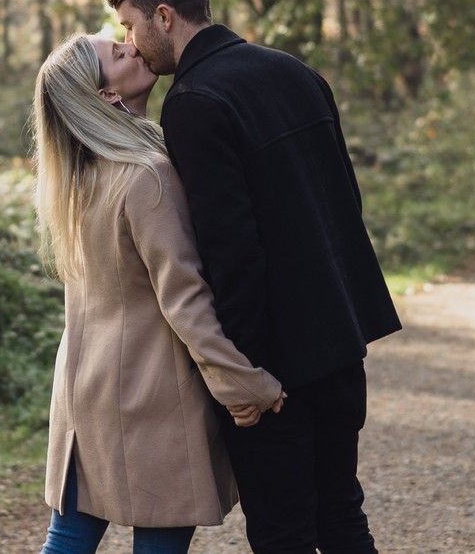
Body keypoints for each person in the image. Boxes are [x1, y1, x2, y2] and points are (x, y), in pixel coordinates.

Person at [103, 0, 402, 554]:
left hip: (276, 370)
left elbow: (230, 255)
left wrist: (242, 378)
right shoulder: (295, 71)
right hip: (340, 341)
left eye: (130, 25)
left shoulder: (193, 103)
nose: (130, 44)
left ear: (164, 16)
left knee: (283, 534)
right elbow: (345, 203)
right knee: (343, 518)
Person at [32, 33, 286, 554]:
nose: (131, 47)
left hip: (84, 390)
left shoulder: (77, 181)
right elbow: (184, 299)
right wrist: (243, 384)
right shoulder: (148, 174)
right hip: (150, 395)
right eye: (116, 55)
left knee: (68, 542)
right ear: (105, 96)